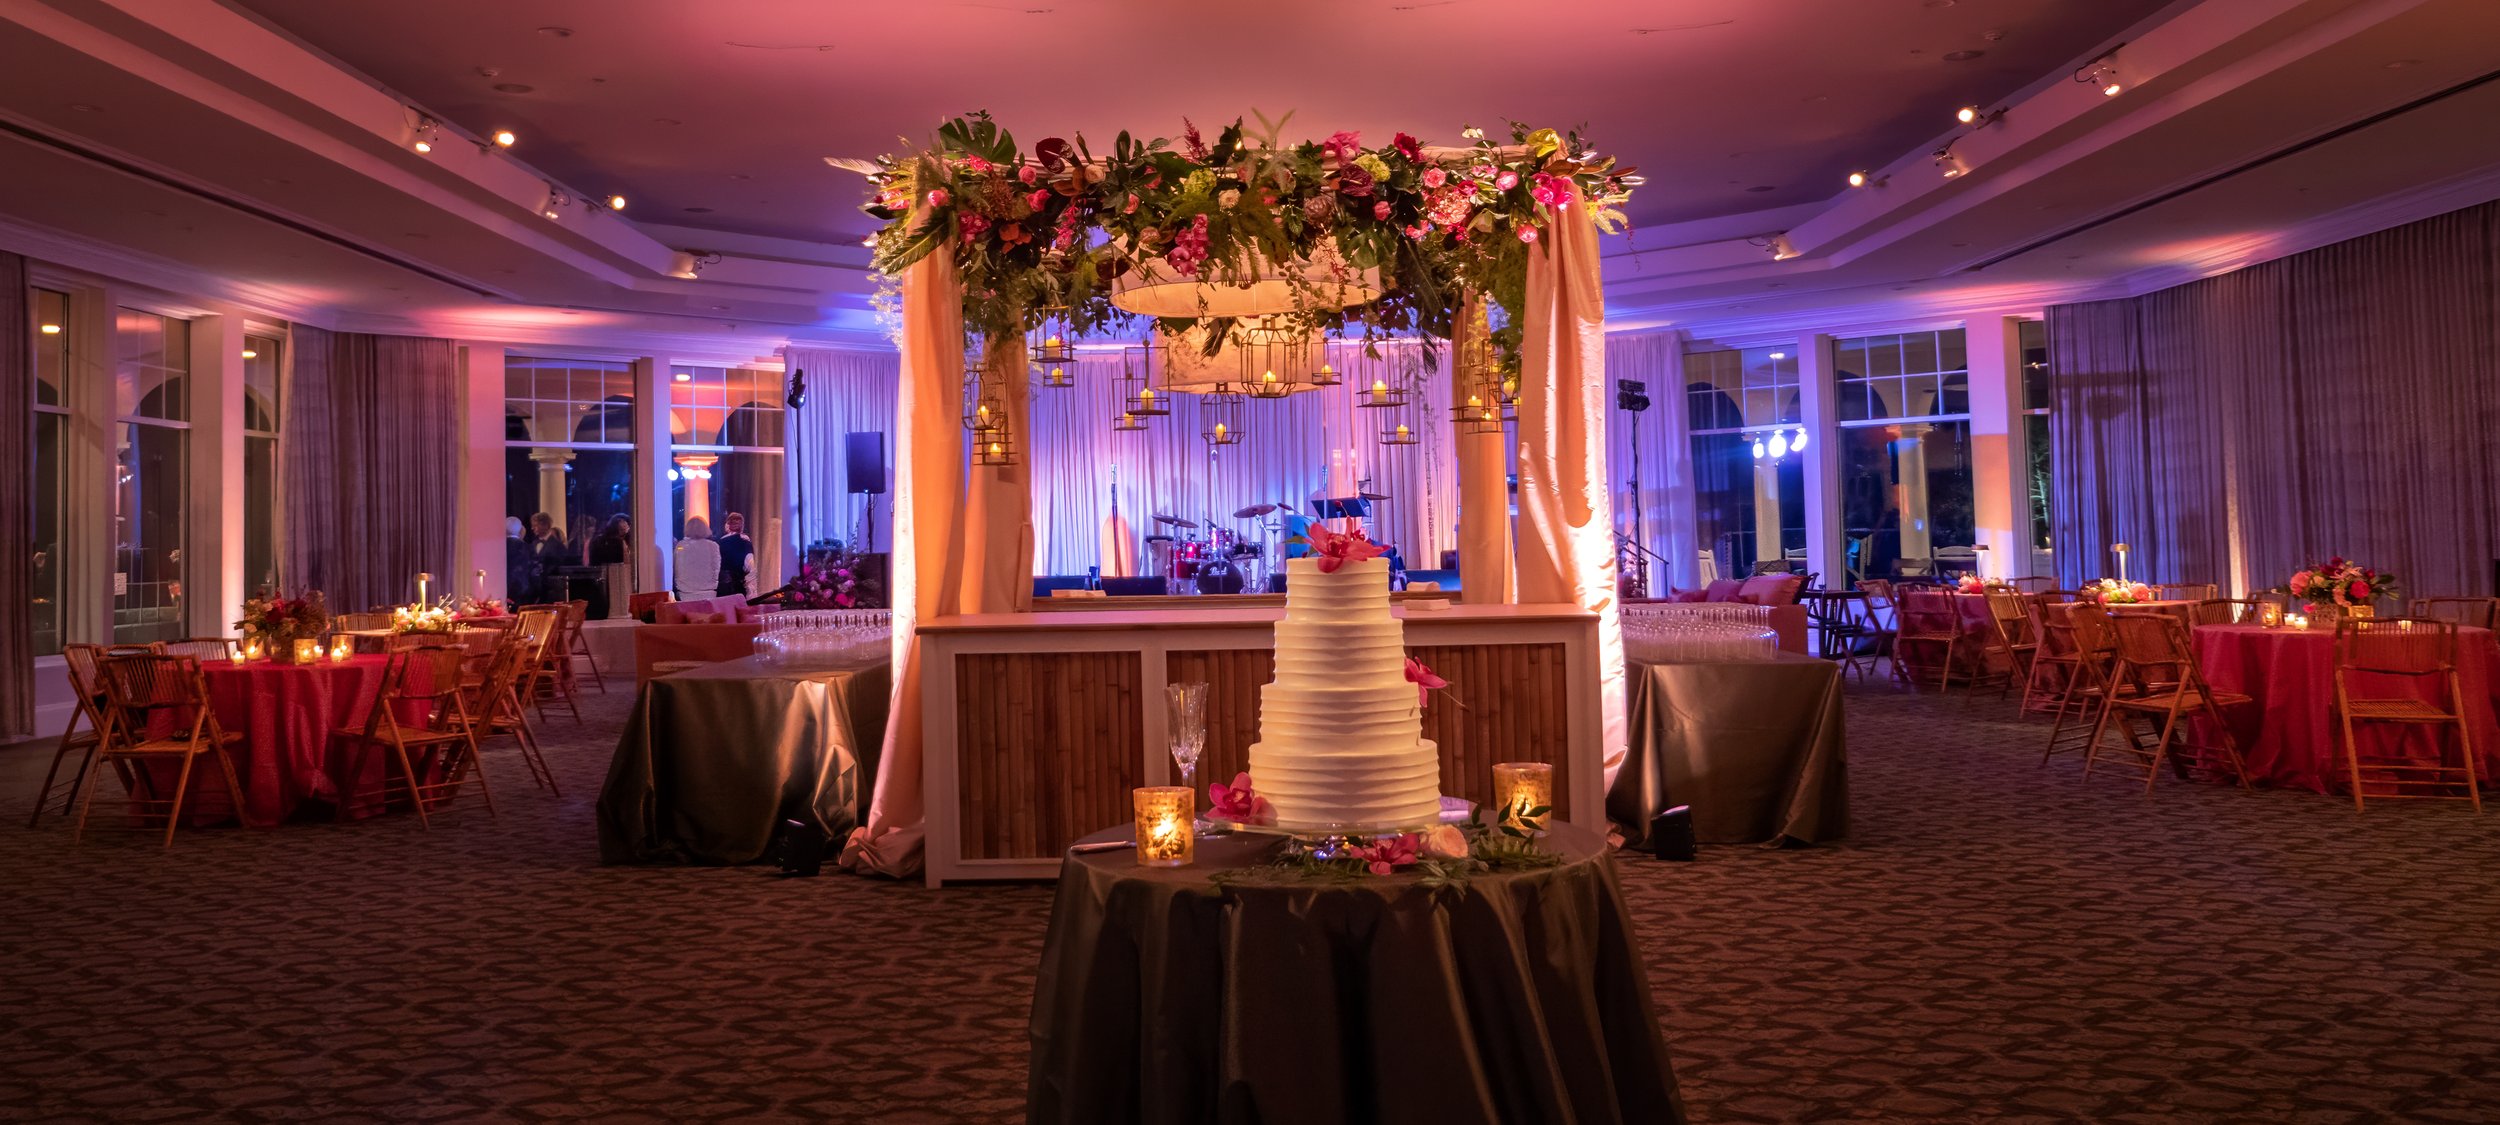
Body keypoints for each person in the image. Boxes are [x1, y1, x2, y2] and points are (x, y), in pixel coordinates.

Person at [588, 515, 634, 619]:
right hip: (612, 575)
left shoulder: (622, 541)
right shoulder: (611, 542)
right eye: (622, 527)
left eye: (626, 526)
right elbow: (624, 562)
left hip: (612, 575)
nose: (626, 528)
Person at [673, 515, 721, 603]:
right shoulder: (713, 546)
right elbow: (716, 568)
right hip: (708, 592)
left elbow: (677, 568)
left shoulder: (681, 546)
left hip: (685, 592)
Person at [524, 512, 567, 604]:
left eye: (535, 525)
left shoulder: (558, 546)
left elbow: (560, 566)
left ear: (545, 525)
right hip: (534, 590)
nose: (532, 528)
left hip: (551, 590)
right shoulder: (533, 544)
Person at [715, 511, 756, 597]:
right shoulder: (745, 543)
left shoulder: (718, 544)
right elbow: (750, 569)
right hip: (737, 590)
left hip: (721, 590)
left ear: (727, 525)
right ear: (742, 526)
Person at [503, 517, 531, 604]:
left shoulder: (499, 547)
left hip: (503, 589)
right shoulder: (528, 548)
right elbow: (534, 572)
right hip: (524, 592)